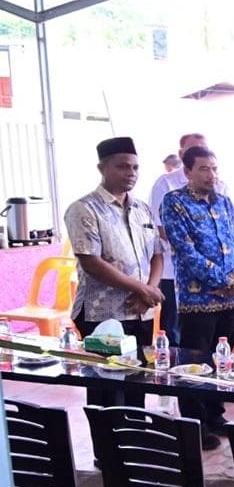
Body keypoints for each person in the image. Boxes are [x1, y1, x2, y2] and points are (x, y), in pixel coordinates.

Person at [161, 146, 234, 451]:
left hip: (229, 301)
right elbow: (186, 252)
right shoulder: (175, 203)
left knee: (221, 359)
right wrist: (226, 282)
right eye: (203, 169)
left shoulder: (225, 202)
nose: (211, 175)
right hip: (197, 301)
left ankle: (215, 415)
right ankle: (194, 424)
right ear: (187, 172)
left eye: (214, 168)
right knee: (194, 364)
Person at [64, 136, 162, 409]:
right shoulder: (84, 208)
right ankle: (105, 439)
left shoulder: (142, 208)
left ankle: (135, 432)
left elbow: (157, 254)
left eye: (135, 167)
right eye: (122, 166)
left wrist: (149, 291)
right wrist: (142, 289)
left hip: (141, 310)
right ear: (102, 168)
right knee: (106, 389)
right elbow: (91, 262)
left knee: (138, 381)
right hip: (102, 314)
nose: (131, 173)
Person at [150, 132, 219, 345]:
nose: (199, 152)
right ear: (181, 154)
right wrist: (200, 251)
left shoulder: (219, 185)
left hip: (212, 273)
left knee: (211, 334)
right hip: (175, 271)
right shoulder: (166, 184)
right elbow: (162, 229)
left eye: (203, 147)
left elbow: (224, 232)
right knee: (175, 331)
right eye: (193, 148)